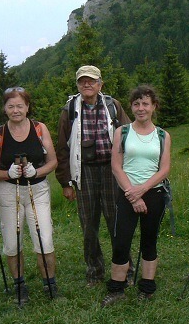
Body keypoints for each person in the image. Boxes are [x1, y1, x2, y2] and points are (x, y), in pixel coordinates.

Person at [55, 65, 132, 286]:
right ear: (78, 85)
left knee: (116, 222)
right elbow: (62, 148)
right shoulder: (69, 110)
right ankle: (95, 272)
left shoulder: (113, 106)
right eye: (82, 81)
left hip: (112, 170)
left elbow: (128, 135)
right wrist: (66, 182)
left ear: (100, 84)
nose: (87, 85)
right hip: (84, 172)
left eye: (91, 81)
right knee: (89, 225)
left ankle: (125, 268)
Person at [0, 87, 59, 302]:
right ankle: (20, 286)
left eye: (20, 106)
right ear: (4, 109)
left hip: (38, 189)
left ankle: (50, 284)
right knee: (12, 241)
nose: (16, 110)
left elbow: (53, 161)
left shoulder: (39, 128)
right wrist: (6, 174)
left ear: (27, 107)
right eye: (11, 106)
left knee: (44, 238)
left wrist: (37, 171)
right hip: (8, 191)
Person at [101, 85, 171, 306]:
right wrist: (133, 195)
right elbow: (116, 166)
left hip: (155, 194)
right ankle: (116, 289)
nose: (141, 108)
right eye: (136, 104)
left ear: (154, 107)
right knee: (121, 242)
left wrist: (143, 190)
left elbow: (164, 169)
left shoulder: (163, 135)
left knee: (149, 242)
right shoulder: (122, 132)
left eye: (145, 104)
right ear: (131, 107)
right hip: (126, 193)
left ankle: (147, 288)